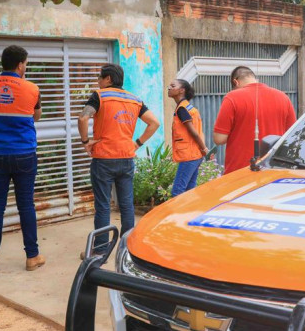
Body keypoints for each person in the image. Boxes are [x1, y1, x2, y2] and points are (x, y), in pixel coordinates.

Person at [78, 63, 160, 256]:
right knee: (126, 204)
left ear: (108, 79)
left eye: (100, 77)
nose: (98, 81)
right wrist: (137, 143)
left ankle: (99, 251)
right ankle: (127, 248)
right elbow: (154, 123)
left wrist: (85, 141)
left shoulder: (100, 96)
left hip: (104, 158)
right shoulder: (135, 100)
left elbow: (83, 119)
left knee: (103, 205)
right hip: (126, 157)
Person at [0, 45, 45, 273]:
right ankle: (32, 257)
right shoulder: (32, 88)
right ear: (20, 65)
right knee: (26, 204)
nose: (26, 67)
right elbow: (36, 116)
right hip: (24, 154)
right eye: (26, 63)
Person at [213, 66, 297, 175]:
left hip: (240, 171)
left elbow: (219, 139)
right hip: (273, 168)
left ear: (235, 82)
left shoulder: (232, 97)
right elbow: (292, 135)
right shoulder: (283, 97)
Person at [167, 79, 208, 197]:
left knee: (177, 192)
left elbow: (194, 132)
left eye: (173, 86)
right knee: (190, 192)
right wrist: (203, 149)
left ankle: (178, 216)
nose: (169, 88)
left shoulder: (182, 109)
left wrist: (204, 148)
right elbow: (200, 132)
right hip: (195, 155)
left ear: (181, 90)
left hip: (189, 155)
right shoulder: (190, 108)